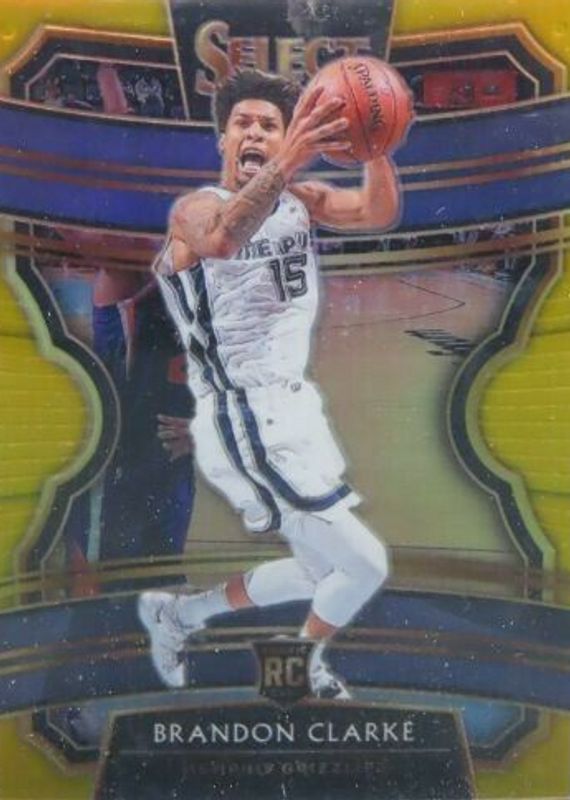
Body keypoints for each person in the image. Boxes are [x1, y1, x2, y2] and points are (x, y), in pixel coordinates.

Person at [139, 68, 401, 698]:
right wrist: (290, 157)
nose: (254, 133)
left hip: (295, 409)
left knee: (319, 569)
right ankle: (302, 666)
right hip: (242, 414)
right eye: (243, 124)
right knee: (366, 565)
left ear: (285, 136)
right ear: (223, 141)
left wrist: (375, 146)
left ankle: (181, 614)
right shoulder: (194, 211)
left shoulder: (301, 201)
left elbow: (376, 211)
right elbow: (223, 239)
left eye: (269, 125)